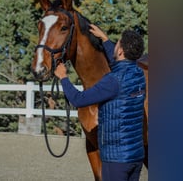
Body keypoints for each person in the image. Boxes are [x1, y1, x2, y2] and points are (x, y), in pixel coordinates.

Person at [54, 24, 146, 181]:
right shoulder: (138, 74)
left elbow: (78, 99)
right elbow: (120, 65)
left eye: (117, 43)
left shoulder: (112, 81)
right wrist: (105, 39)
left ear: (121, 51)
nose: (115, 45)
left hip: (116, 159)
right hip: (135, 157)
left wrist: (63, 78)